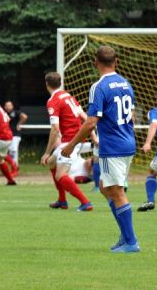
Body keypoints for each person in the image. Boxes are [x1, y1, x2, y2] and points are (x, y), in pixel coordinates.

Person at [62, 45, 139, 253]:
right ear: (117, 61)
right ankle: (125, 236)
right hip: (127, 142)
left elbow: (90, 122)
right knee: (105, 187)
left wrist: (71, 145)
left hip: (113, 146)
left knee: (116, 192)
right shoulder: (126, 84)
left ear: (96, 62)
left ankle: (131, 242)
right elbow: (132, 115)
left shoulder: (99, 86)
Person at [40, 72, 93, 211]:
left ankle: (85, 202)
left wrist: (46, 152)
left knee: (60, 175)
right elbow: (84, 117)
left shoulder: (53, 101)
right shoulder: (69, 96)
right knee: (52, 162)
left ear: (46, 84)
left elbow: (55, 129)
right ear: (60, 82)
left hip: (70, 142)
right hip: (76, 139)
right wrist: (93, 136)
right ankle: (62, 201)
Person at [4, 100, 27, 175]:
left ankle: (15, 167)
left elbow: (24, 116)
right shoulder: (4, 114)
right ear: (5, 107)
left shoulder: (15, 112)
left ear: (12, 106)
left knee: (13, 150)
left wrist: (19, 124)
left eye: (9, 105)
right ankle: (13, 168)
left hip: (15, 135)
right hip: (8, 136)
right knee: (10, 152)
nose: (8, 107)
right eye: (7, 106)